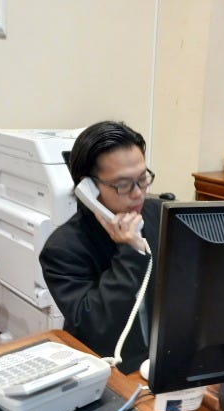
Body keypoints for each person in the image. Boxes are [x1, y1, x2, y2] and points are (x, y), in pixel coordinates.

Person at [39, 121, 163, 374]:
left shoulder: (160, 216)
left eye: (142, 179)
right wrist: (131, 253)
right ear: (88, 188)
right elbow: (94, 324)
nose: (138, 193)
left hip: (163, 360)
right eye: (123, 185)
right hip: (108, 369)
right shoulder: (63, 249)